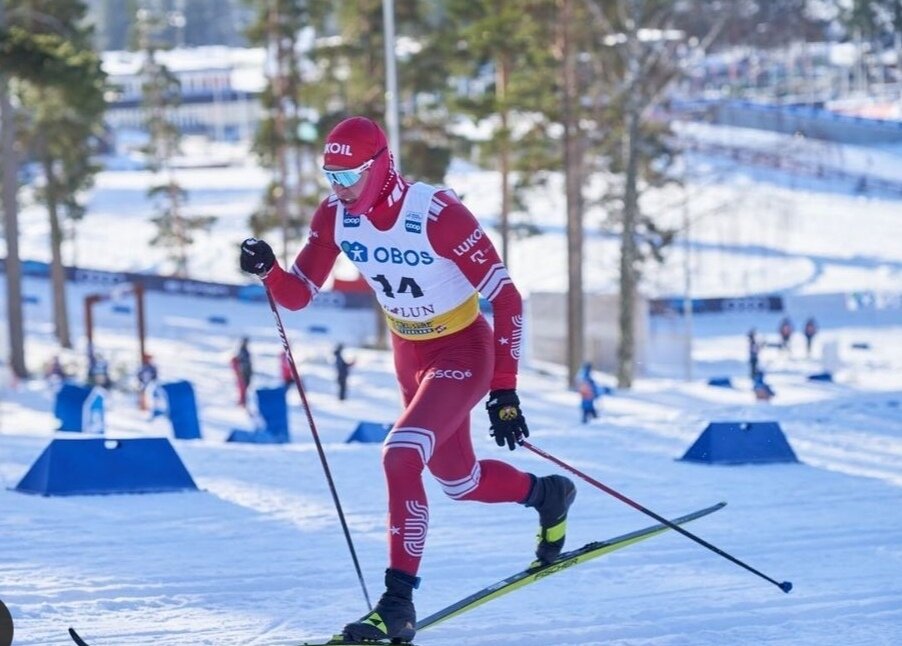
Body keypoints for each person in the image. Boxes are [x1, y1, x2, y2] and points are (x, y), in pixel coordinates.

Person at [240, 116, 575, 644]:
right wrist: (269, 271)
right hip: (409, 352)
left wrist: (504, 389)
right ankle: (547, 494)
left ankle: (397, 603)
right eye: (331, 176)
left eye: (349, 176)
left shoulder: (437, 214)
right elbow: (299, 294)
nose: (340, 188)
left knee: (400, 454)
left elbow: (507, 297)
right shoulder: (334, 216)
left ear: (380, 167)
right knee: (458, 481)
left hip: (464, 347)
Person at [231, 337, 253, 408]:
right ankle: (243, 403)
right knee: (243, 389)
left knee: (245, 389)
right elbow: (238, 362)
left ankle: (244, 403)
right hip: (242, 373)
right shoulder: (241, 352)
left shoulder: (245, 351)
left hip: (247, 373)